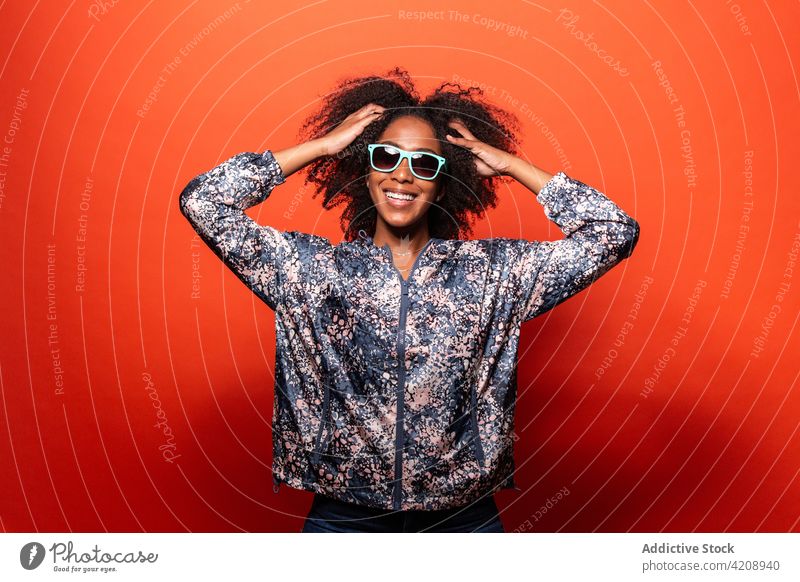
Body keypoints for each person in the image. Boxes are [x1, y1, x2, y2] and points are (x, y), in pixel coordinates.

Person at [178, 67, 640, 533]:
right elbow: (204, 202)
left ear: (444, 183)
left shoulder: (495, 274)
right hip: (345, 520)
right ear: (365, 167)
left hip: (464, 523)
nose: (402, 174)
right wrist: (322, 146)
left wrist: (511, 166)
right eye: (385, 157)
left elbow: (613, 232)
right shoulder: (310, 272)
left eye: (424, 164)